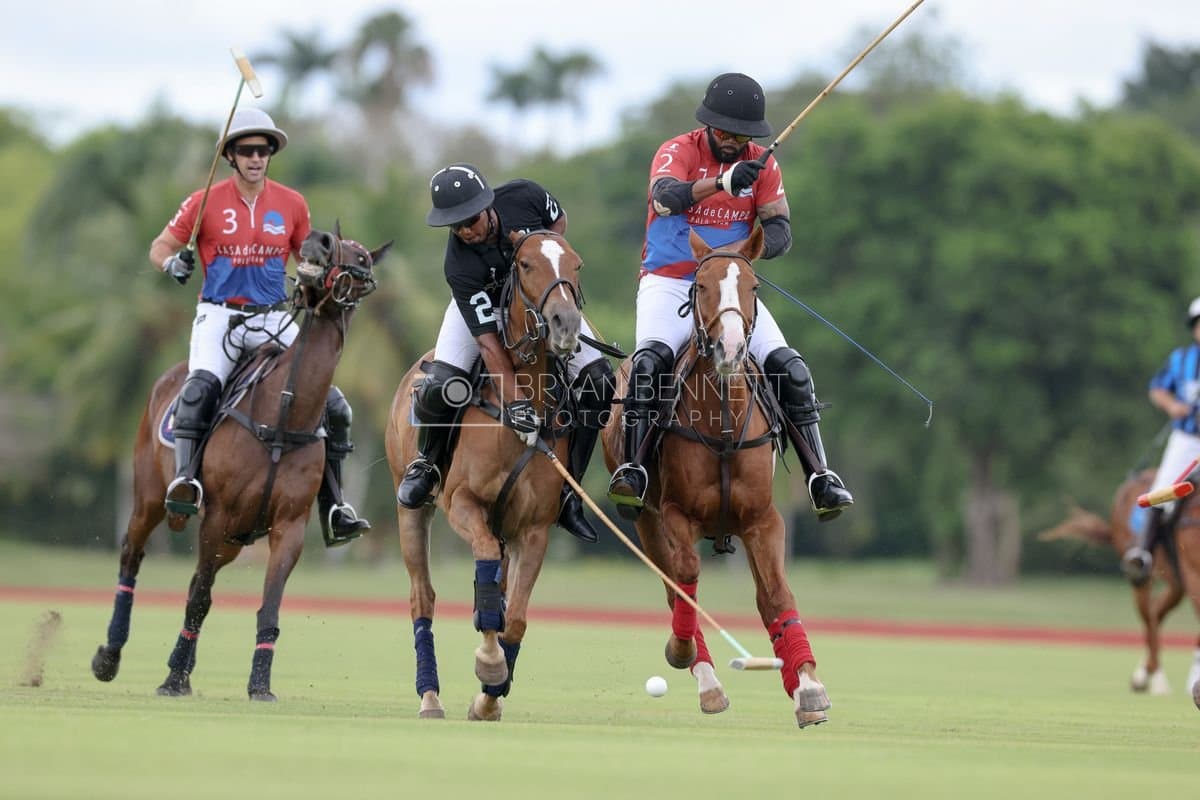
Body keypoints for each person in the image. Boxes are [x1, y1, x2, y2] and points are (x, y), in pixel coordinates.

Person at [606, 72, 854, 521]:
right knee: (649, 363)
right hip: (669, 279)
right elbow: (666, 199)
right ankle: (635, 469)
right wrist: (724, 183)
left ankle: (819, 474)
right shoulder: (677, 151)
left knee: (789, 367)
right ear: (707, 126)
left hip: (731, 284)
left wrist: (756, 248)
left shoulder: (763, 165)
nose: (731, 141)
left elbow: (781, 228)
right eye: (723, 133)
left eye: (740, 136)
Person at [149, 107, 369, 547]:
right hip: (220, 315)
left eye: (263, 150)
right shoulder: (204, 200)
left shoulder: (291, 203)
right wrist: (172, 263)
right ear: (230, 156)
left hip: (273, 316)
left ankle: (335, 505)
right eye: (247, 150)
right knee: (198, 389)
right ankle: (186, 481)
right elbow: (161, 246)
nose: (255, 157)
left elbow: (303, 258)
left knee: (333, 404)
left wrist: (316, 274)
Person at [395, 163, 615, 544]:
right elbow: (488, 342)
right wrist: (514, 401)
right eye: (456, 225)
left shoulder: (524, 196)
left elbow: (557, 223)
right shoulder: (459, 263)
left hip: (541, 297)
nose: (467, 230)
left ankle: (569, 493)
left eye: (471, 219)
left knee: (600, 382)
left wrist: (540, 259)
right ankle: (427, 463)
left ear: (488, 204)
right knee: (441, 384)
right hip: (485, 310)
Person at [1121, 296, 1200, 582]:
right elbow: (1157, 389)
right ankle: (1143, 553)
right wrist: (1172, 406)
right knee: (1163, 492)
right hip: (1187, 439)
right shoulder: (1181, 360)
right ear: (1194, 328)